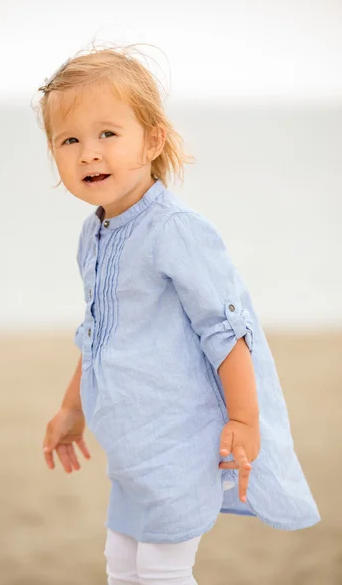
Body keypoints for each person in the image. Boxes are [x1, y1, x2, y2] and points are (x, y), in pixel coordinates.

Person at [38, 43, 321, 585]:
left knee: (164, 570)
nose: (88, 154)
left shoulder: (174, 230)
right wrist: (71, 408)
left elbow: (226, 329)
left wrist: (243, 419)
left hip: (178, 437)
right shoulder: (94, 234)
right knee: (122, 566)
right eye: (69, 140)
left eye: (107, 134)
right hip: (132, 444)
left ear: (153, 140)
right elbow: (99, 333)